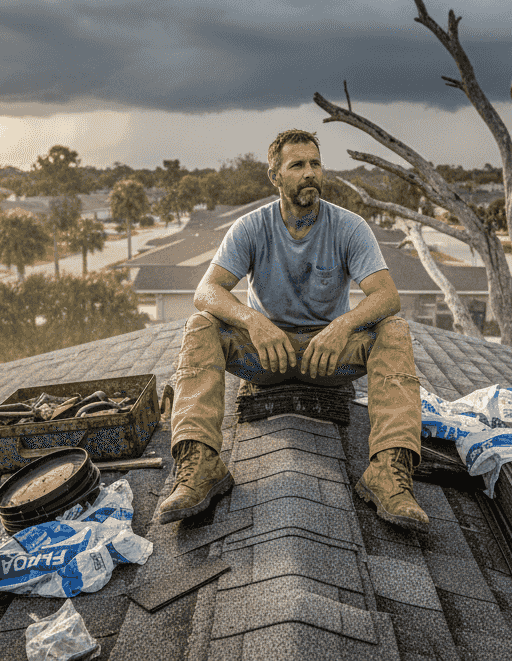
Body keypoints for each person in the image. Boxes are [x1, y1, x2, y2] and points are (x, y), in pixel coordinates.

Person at [156, 129, 429, 532]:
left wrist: (343, 325)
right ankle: (200, 466)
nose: (309, 173)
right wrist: (253, 321)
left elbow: (386, 296)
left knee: (394, 329)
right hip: (265, 357)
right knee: (201, 325)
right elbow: (206, 290)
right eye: (297, 165)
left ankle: (388, 473)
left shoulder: (349, 227)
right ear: (275, 177)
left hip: (328, 359)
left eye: (315, 164)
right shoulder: (251, 227)